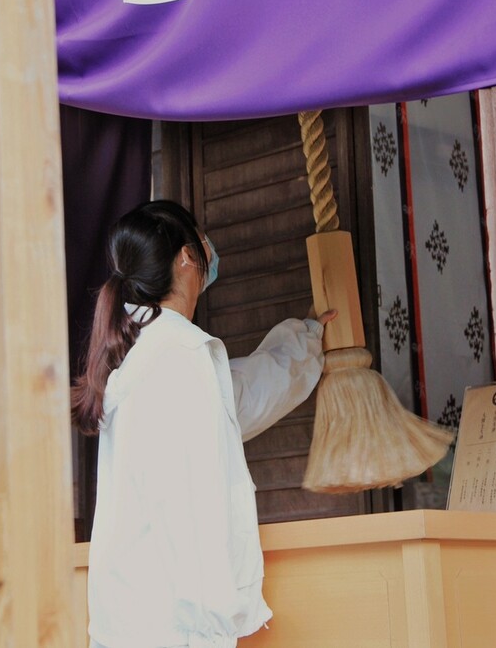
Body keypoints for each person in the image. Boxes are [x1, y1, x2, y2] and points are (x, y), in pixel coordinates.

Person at [72, 199, 337, 648]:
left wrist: (308, 337)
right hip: (173, 629)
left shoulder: (150, 354)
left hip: (131, 621)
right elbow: (194, 502)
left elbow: (239, 400)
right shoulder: (180, 356)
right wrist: (212, 626)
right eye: (201, 241)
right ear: (186, 257)